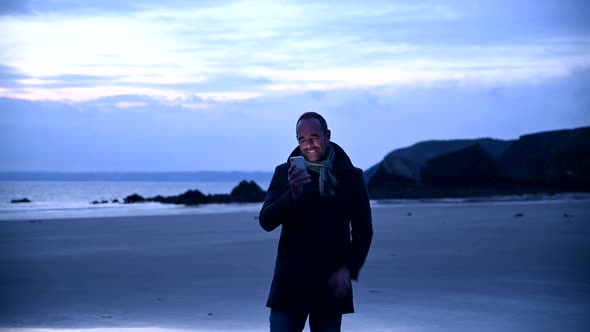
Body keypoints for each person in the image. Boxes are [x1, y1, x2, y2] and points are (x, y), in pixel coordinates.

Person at [259, 112, 373, 332]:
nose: (308, 145)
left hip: (330, 283)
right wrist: (291, 195)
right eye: (302, 139)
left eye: (314, 137)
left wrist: (349, 269)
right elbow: (266, 221)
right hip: (290, 283)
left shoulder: (350, 177)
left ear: (327, 135)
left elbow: (363, 231)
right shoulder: (285, 173)